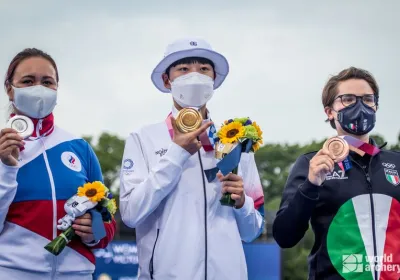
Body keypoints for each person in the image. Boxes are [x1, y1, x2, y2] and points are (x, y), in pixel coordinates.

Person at [119, 37, 265, 280]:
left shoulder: (236, 140)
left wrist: (241, 203)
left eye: (204, 69)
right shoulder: (143, 138)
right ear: (167, 80)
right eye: (184, 69)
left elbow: (253, 230)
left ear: (214, 80)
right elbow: (131, 214)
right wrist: (176, 152)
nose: (195, 76)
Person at [273, 67, 400, 279]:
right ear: (329, 111)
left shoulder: (396, 162)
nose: (360, 106)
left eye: (367, 99)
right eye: (348, 99)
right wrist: (311, 184)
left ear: (376, 106)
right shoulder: (310, 164)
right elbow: (285, 237)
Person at [0, 48, 116, 279]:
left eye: (47, 82)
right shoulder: (1, 148)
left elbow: (107, 219)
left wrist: (94, 231)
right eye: (28, 81)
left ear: (56, 88)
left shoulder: (79, 148)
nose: (39, 88)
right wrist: (6, 168)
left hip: (77, 273)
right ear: (9, 90)